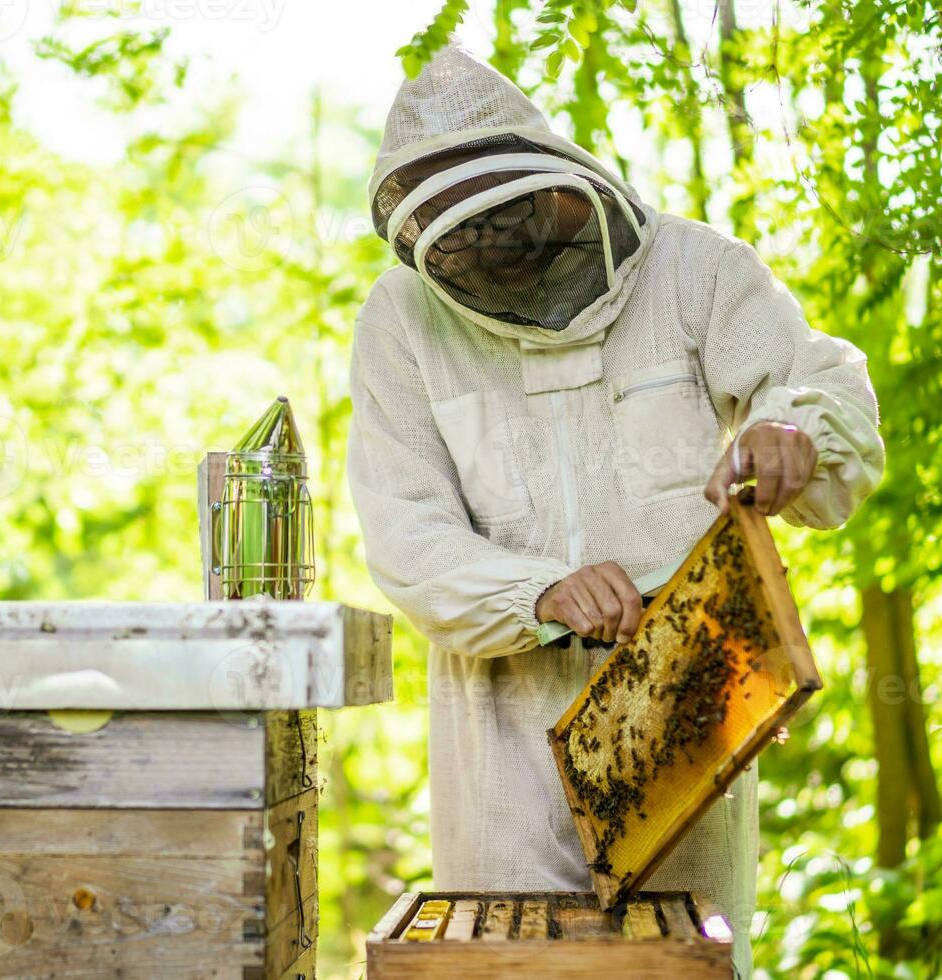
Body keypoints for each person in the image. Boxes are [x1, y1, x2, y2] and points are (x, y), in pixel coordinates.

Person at [346, 45, 883, 975]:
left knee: (679, 962)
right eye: (470, 246)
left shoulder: (697, 272)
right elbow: (404, 532)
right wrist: (540, 590)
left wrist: (789, 431)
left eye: (515, 231)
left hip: (687, 721)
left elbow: (815, 383)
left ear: (561, 186)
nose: (500, 262)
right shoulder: (400, 323)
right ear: (428, 241)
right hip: (500, 743)